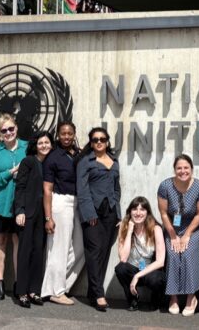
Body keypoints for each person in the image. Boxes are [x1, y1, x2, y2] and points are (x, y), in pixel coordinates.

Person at [76, 127, 121, 311]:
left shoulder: (114, 161)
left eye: (102, 139)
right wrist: (89, 214)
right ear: (91, 142)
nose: (99, 142)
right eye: (95, 140)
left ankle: (94, 291)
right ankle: (99, 294)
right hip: (93, 214)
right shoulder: (85, 162)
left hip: (110, 213)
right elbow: (82, 190)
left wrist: (118, 212)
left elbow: (117, 188)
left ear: (107, 141)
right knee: (94, 252)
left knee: (104, 252)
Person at [157, 154, 199, 316]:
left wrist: (186, 235)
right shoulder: (165, 186)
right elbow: (164, 214)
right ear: (174, 169)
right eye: (179, 168)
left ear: (191, 169)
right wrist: (173, 236)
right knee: (172, 254)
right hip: (172, 227)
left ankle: (191, 297)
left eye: (186, 168)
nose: (183, 171)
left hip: (193, 227)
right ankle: (173, 298)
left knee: (187, 254)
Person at [41, 121, 84, 305]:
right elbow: (47, 190)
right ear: (58, 135)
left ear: (74, 134)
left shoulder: (79, 154)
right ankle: (55, 291)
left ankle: (57, 285)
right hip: (60, 202)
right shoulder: (53, 157)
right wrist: (48, 217)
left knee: (80, 249)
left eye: (69, 133)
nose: (66, 137)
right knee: (58, 249)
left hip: (77, 203)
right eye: (63, 134)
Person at [0, 113, 28, 300]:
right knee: (0, 242)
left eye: (11, 128)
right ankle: (0, 282)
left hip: (20, 205)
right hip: (0, 204)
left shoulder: (27, 147)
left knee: (18, 243)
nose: (8, 132)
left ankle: (20, 283)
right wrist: (11, 172)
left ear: (16, 128)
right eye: (4, 130)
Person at [14, 131, 53, 308]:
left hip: (42, 215)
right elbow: (20, 187)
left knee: (39, 252)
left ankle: (33, 291)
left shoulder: (50, 163)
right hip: (27, 213)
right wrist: (19, 210)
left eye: (47, 142)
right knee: (25, 252)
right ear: (35, 146)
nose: (44, 145)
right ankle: (21, 292)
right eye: (40, 143)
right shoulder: (29, 161)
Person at [114, 197, 166, 311]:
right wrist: (129, 231)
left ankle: (156, 300)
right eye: (134, 209)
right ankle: (132, 299)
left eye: (142, 209)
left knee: (157, 279)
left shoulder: (156, 228)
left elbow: (160, 261)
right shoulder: (124, 226)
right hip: (132, 267)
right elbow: (123, 258)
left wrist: (137, 276)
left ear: (147, 212)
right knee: (120, 268)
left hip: (149, 270)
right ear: (130, 211)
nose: (138, 213)